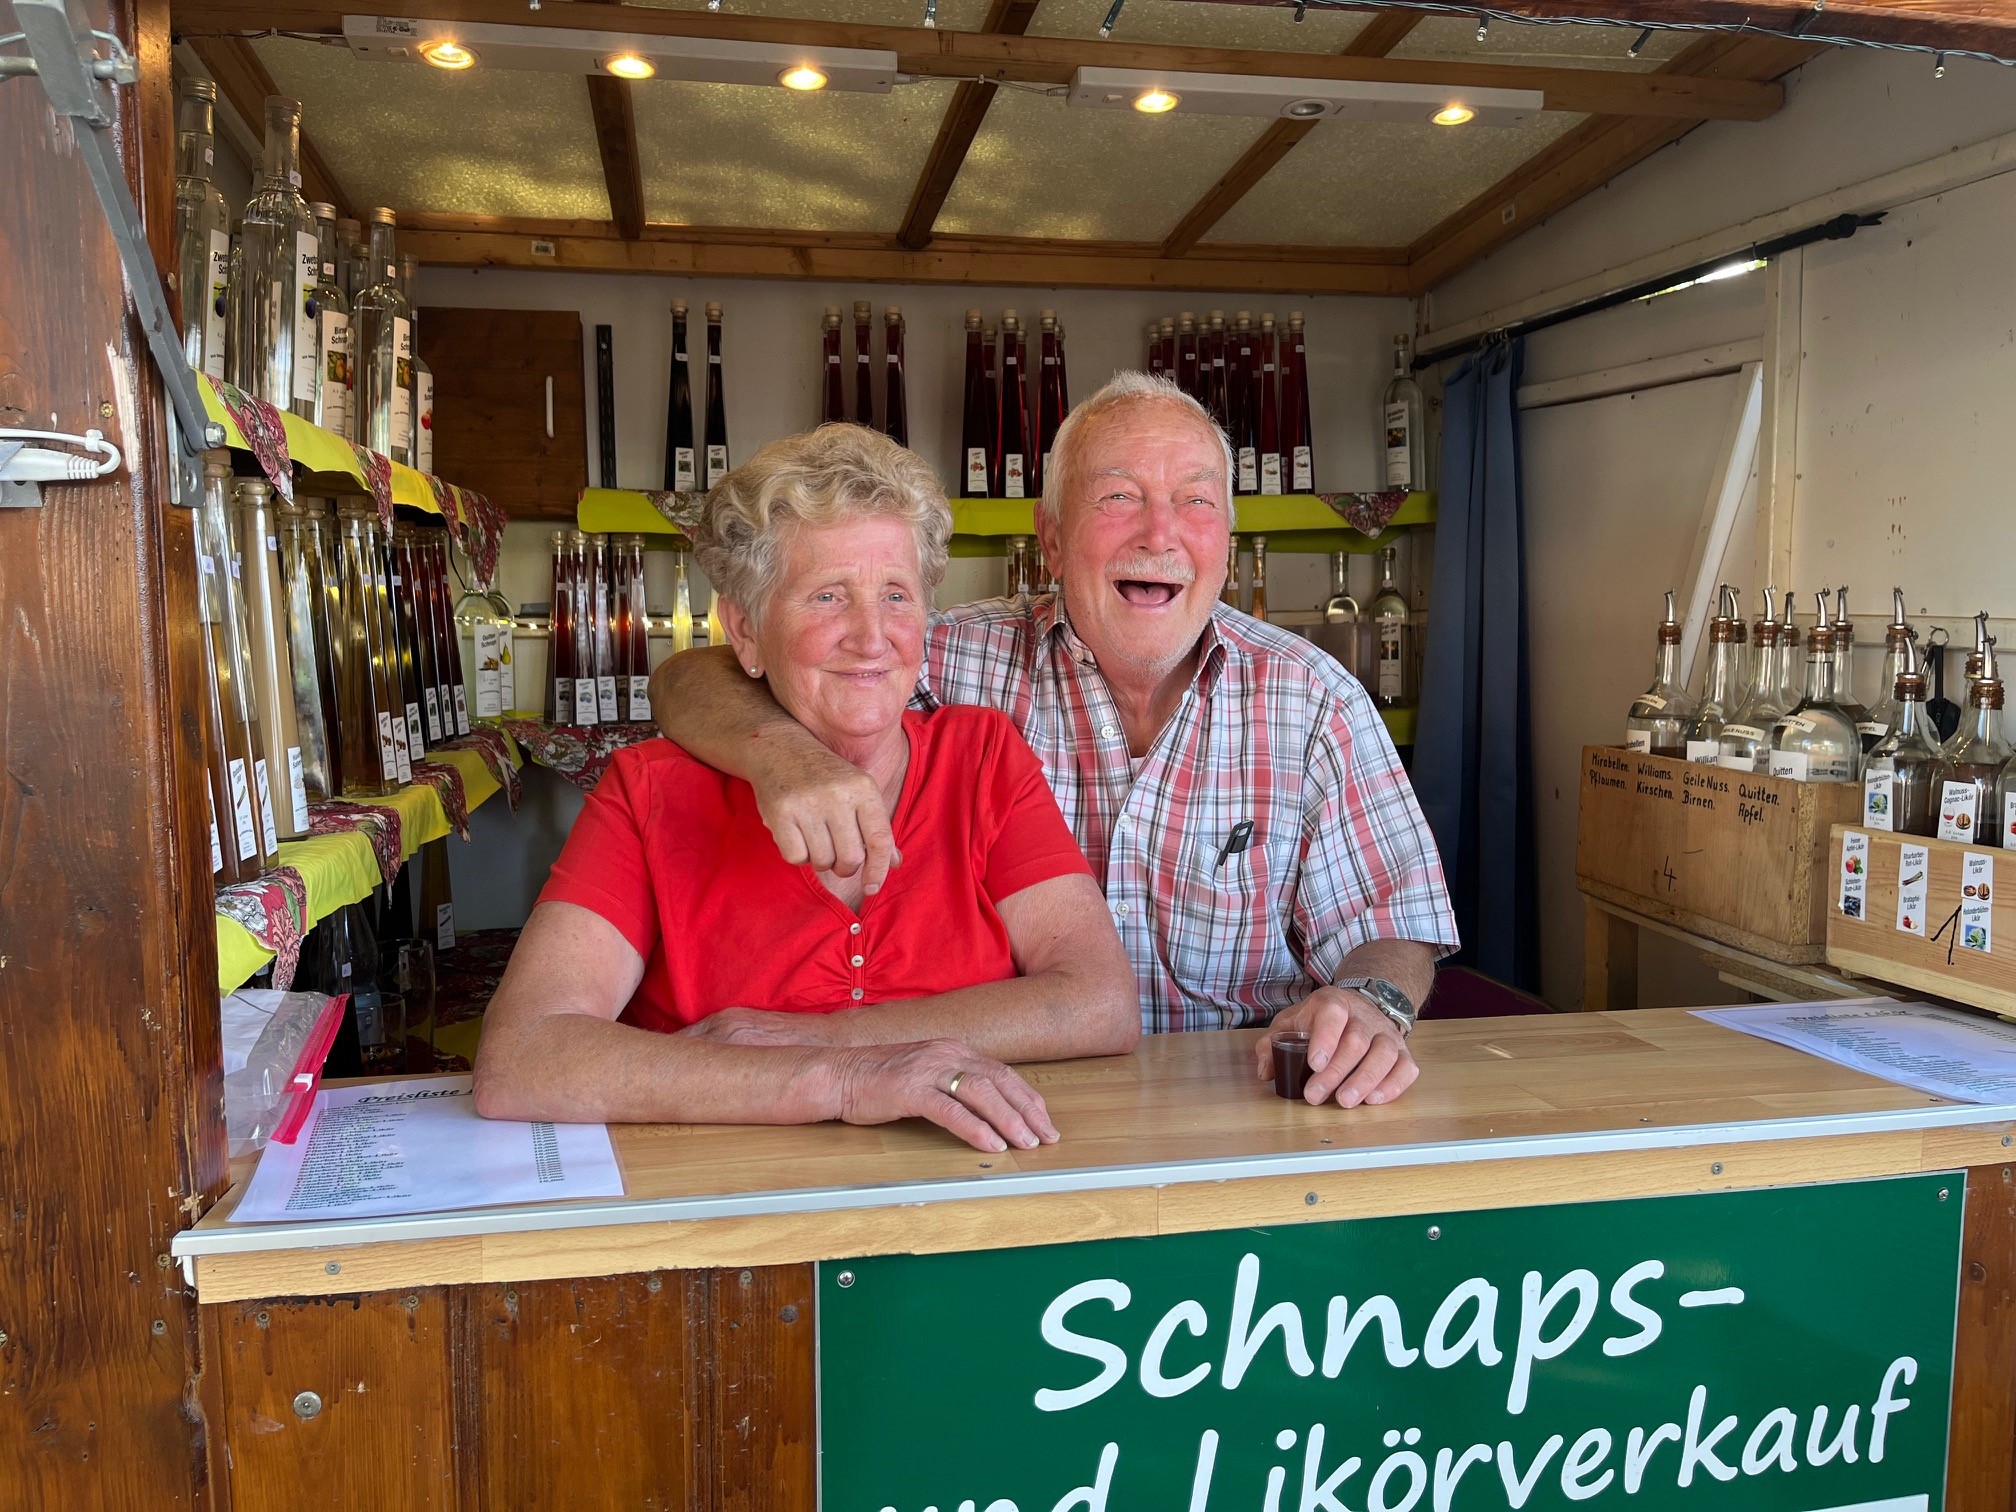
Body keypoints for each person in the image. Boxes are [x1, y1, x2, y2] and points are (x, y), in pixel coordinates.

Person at [652, 373, 1459, 1110]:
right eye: (1119, 497)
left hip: (1237, 1106)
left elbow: (1391, 921)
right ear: (1051, 539)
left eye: (1196, 500)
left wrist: (1368, 1003)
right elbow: (693, 675)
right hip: (996, 1104)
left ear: (1227, 541)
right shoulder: (944, 655)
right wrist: (785, 755)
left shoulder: (1312, 697)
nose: (1160, 533)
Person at [475, 425, 1139, 1154]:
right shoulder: (651, 792)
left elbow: (1100, 1001)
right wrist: (843, 1081)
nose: (871, 636)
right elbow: (521, 1055)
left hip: (968, 1182)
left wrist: (831, 1038)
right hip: (722, 1199)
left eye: (896, 595)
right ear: (745, 631)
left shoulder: (980, 759)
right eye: (827, 597)